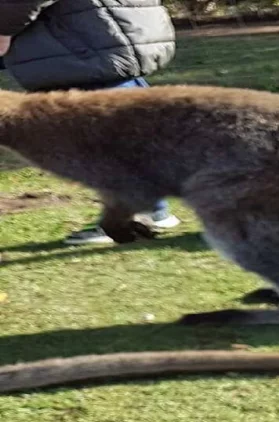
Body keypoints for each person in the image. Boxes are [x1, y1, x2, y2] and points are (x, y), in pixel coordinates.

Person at [0, 0, 181, 245]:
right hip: (99, 31)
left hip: (80, 39)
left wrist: (3, 27)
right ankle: (146, 208)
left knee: (108, 134)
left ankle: (137, 213)